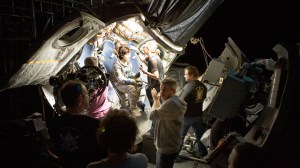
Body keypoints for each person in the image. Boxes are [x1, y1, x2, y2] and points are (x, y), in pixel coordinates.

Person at [47, 80, 107, 168]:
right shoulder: (96, 124)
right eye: (86, 94)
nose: (89, 97)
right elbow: (105, 136)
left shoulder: (54, 123)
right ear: (80, 99)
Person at [150, 78, 187, 168]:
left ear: (173, 90)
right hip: (172, 144)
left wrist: (155, 100)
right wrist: (158, 101)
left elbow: (152, 116)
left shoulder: (170, 104)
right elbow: (160, 114)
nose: (161, 92)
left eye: (165, 90)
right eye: (161, 89)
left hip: (166, 147)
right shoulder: (176, 100)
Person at [178, 66, 208, 158]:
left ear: (191, 75)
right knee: (200, 136)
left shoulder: (188, 86)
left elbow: (180, 101)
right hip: (198, 116)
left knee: (179, 137)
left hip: (187, 117)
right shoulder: (203, 86)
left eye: (186, 74)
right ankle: (203, 154)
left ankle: (174, 157)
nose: (184, 76)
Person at [139, 41, 164, 137]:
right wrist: (136, 52)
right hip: (159, 86)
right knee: (158, 108)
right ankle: (157, 129)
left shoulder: (152, 60)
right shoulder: (156, 57)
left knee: (155, 109)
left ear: (148, 49)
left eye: (144, 47)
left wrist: (144, 72)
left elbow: (156, 75)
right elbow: (145, 60)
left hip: (155, 88)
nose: (143, 49)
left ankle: (153, 132)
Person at [111, 45, 143, 117]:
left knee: (140, 81)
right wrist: (131, 81)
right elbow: (120, 78)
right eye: (127, 54)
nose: (129, 56)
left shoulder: (128, 63)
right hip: (119, 84)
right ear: (122, 55)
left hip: (126, 81)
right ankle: (133, 108)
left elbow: (129, 73)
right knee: (132, 88)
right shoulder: (116, 65)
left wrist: (135, 76)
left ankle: (133, 101)